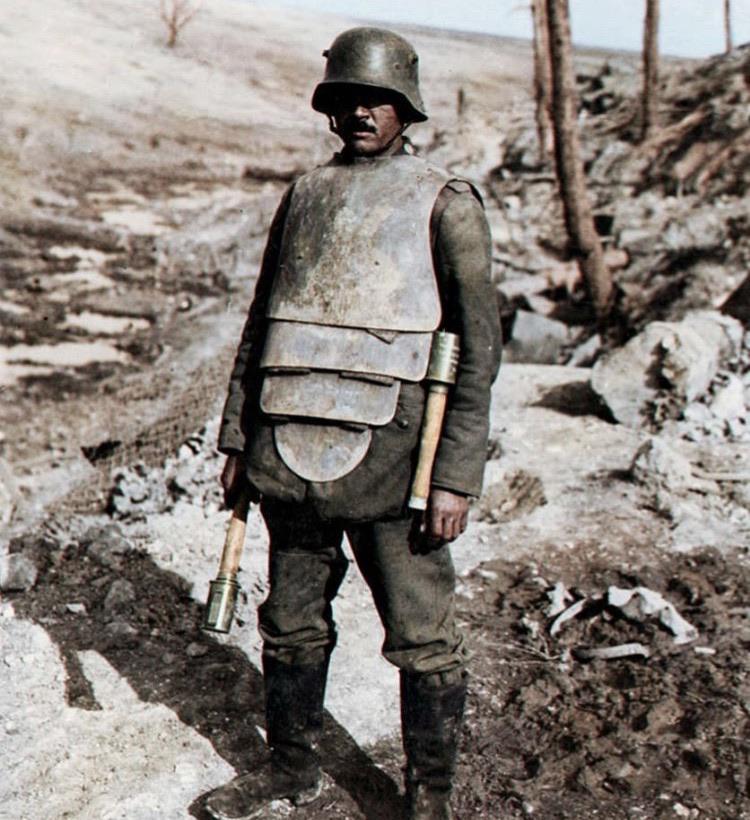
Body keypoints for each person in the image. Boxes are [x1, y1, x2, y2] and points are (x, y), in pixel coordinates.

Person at [206, 26, 502, 820]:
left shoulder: (448, 202)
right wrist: (238, 437)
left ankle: (427, 798)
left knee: (422, 635)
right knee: (291, 623)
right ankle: (289, 767)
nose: (360, 113)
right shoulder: (304, 195)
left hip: (398, 466)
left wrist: (455, 477)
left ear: (406, 107)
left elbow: (478, 351)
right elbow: (262, 323)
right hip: (290, 450)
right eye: (346, 99)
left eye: (376, 99)